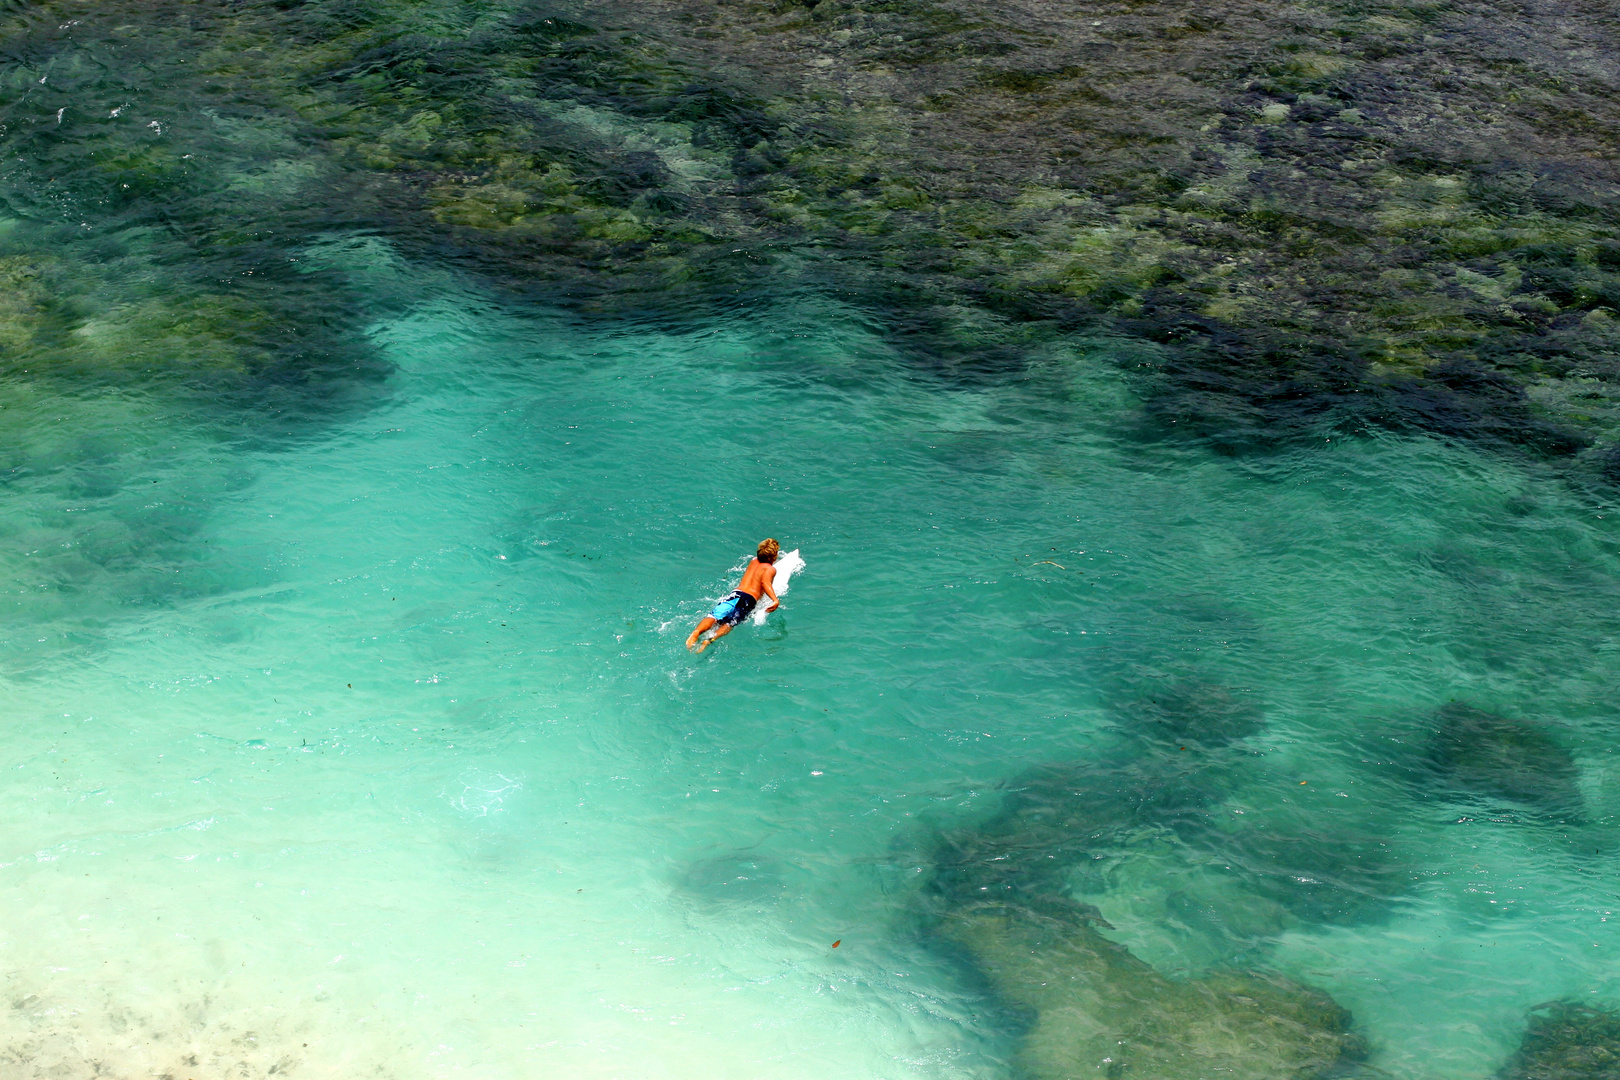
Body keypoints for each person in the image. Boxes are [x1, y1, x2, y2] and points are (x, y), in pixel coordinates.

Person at [687, 538, 781, 653]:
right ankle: (709, 640)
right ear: (774, 556)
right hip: (748, 599)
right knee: (730, 623)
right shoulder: (770, 569)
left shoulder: (753, 561)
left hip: (735, 594)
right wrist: (775, 600)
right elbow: (765, 583)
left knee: (714, 616)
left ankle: (695, 633)